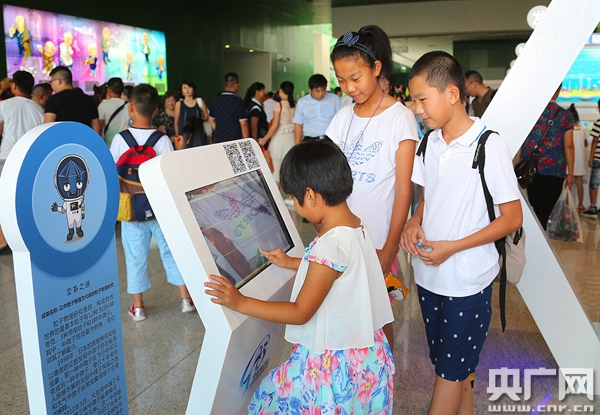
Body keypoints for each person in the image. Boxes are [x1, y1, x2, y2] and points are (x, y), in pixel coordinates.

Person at [205, 140, 395, 414]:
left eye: (294, 198)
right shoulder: (356, 226)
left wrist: (240, 302)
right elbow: (338, 270)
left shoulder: (329, 244)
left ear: (310, 195)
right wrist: (292, 262)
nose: (294, 204)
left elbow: (300, 312)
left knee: (270, 399)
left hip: (332, 363)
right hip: (364, 355)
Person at [400, 51, 522, 415]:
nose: (417, 109)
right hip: (428, 277)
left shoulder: (488, 145)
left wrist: (453, 247)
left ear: (452, 94)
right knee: (454, 368)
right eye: (414, 100)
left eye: (423, 99)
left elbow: (512, 218)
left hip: (467, 282)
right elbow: (427, 200)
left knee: (449, 376)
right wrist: (413, 222)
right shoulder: (429, 143)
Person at [327, 25, 418, 350]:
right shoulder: (342, 118)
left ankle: (382, 374)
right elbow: (328, 179)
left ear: (376, 68)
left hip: (377, 240)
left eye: (356, 77)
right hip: (338, 236)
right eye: (341, 80)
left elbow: (404, 191)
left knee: (377, 319)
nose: (349, 88)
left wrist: (390, 250)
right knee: (344, 316)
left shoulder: (400, 118)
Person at [109, 84, 195, 321]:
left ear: (131, 108)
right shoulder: (162, 139)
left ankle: (138, 308)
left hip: (131, 211)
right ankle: (186, 299)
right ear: (156, 109)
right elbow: (171, 174)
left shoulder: (120, 140)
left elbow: (112, 172)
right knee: (172, 252)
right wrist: (179, 150)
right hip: (160, 209)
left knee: (135, 256)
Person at [0, 71, 45, 255]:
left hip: (6, 156)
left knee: (4, 199)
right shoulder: (38, 109)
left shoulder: (4, 105)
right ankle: (26, 236)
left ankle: (3, 240)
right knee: (26, 199)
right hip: (29, 159)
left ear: (14, 86)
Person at [519, 85, 574, 229]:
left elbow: (522, 141)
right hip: (555, 170)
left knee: (535, 207)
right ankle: (541, 236)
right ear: (558, 91)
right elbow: (568, 145)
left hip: (531, 168)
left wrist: (518, 164)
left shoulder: (531, 113)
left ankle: (537, 236)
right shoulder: (565, 115)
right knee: (545, 210)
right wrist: (571, 173)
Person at [258, 81, 296, 187]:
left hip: (280, 140)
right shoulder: (294, 105)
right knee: (290, 171)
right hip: (292, 139)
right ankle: (291, 194)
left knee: (276, 173)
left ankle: (276, 196)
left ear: (281, 90)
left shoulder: (278, 105)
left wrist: (264, 139)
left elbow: (275, 125)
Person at [44, 66, 101, 134]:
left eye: (51, 81)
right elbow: (97, 128)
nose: (51, 85)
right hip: (83, 139)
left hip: (62, 139)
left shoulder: (53, 100)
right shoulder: (88, 100)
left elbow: (48, 127)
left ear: (58, 81)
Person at [293, 74, 342, 144]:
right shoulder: (302, 102)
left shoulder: (334, 99)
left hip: (330, 140)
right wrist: (297, 146)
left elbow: (341, 120)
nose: (321, 93)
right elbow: (298, 125)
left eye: (323, 90)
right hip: (309, 140)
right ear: (310, 89)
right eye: (317, 91)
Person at [208, 72, 249, 143]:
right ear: (235, 85)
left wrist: (219, 130)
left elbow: (211, 120)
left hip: (220, 140)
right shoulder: (238, 101)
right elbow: (244, 124)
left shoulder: (216, 100)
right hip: (234, 139)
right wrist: (246, 141)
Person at [174, 79, 208, 148]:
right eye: (185, 88)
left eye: (189, 87)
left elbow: (206, 116)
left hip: (199, 134)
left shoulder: (199, 101)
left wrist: (198, 120)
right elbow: (176, 122)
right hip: (184, 135)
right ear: (181, 91)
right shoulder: (179, 104)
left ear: (193, 89)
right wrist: (178, 136)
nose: (187, 90)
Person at [567, 104, 588, 213]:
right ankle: (580, 205)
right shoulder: (583, 129)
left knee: (568, 184)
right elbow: (585, 144)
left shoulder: (567, 130)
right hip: (580, 159)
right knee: (579, 183)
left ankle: (567, 205)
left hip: (569, 159)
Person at [98, 77, 129, 147]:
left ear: (109, 90)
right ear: (122, 90)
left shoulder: (103, 106)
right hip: (125, 145)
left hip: (108, 146)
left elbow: (99, 129)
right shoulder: (129, 106)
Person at [582, 99, 600, 218]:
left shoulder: (598, 122)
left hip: (598, 157)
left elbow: (595, 140)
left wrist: (591, 157)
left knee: (594, 183)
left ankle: (593, 208)